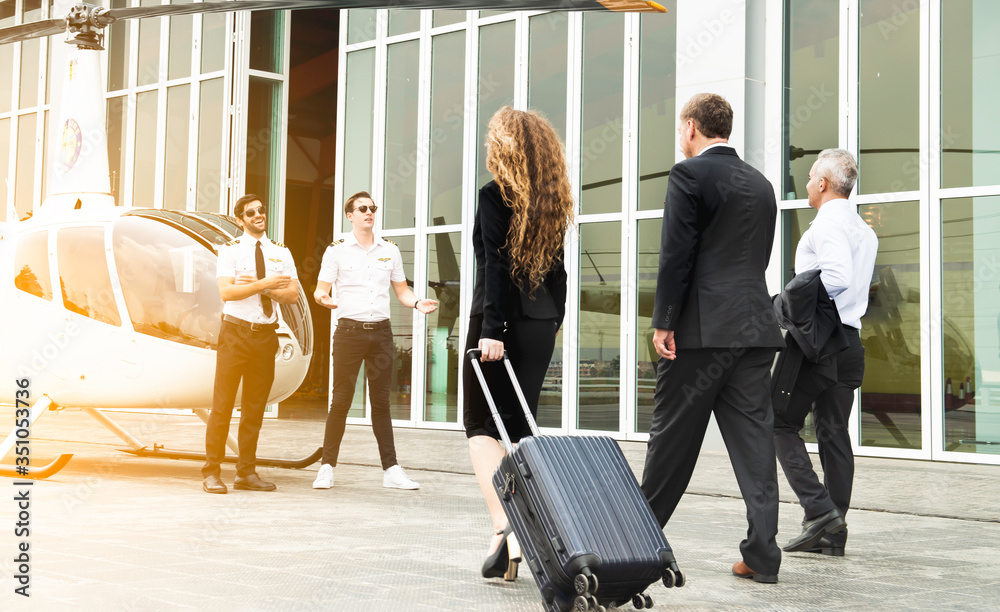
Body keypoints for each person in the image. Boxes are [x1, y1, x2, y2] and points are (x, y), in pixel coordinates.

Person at [640, 93, 787, 583]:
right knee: (754, 446)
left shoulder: (688, 176)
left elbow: (676, 254)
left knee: (672, 443)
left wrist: (664, 320)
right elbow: (755, 259)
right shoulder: (762, 184)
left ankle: (634, 541)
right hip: (755, 330)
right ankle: (763, 556)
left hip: (702, 332)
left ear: (690, 129)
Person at [464, 106, 572, 581]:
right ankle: (507, 548)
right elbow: (560, 272)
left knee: (481, 425)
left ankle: (505, 525)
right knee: (519, 427)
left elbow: (496, 268)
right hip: (540, 324)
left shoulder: (494, 196)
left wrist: (492, 330)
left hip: (499, 326)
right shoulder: (552, 199)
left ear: (502, 146)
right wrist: (554, 321)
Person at [774, 149, 877, 556]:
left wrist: (786, 303)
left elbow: (836, 276)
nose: (807, 181)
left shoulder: (826, 226)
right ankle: (834, 530)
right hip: (850, 343)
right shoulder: (864, 231)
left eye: (812, 174)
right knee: (834, 432)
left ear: (823, 183)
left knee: (777, 422)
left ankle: (819, 512)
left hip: (818, 344)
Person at [312, 191, 438, 491]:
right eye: (362, 208)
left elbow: (402, 292)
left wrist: (417, 302)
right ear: (350, 215)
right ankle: (327, 467)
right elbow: (320, 289)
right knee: (341, 400)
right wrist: (323, 298)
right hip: (349, 333)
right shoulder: (337, 250)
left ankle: (391, 469)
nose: (369, 212)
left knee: (381, 403)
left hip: (381, 334)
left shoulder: (390, 251)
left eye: (372, 208)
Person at [203, 194, 299, 494]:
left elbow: (293, 295)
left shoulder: (280, 252)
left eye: (261, 210)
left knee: (255, 409)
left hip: (265, 335)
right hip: (235, 334)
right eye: (250, 212)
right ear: (239, 219)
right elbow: (227, 293)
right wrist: (270, 283)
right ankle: (211, 472)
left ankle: (246, 473)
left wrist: (257, 287)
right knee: (222, 406)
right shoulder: (229, 251)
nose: (258, 215)